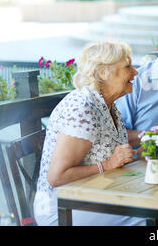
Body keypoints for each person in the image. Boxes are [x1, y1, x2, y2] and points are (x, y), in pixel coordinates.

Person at [33, 41, 145, 226]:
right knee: (148, 219)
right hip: (62, 209)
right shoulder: (82, 107)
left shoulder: (107, 104)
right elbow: (57, 177)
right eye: (127, 66)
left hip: (97, 196)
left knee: (157, 211)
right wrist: (108, 165)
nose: (135, 72)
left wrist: (137, 153)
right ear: (103, 72)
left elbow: (107, 152)